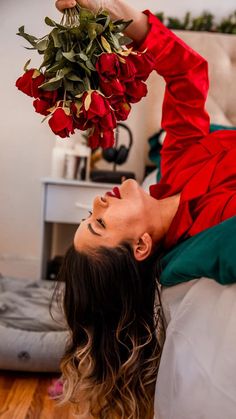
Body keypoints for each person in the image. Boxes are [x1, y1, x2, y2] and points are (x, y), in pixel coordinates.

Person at [54, 1, 236, 418]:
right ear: (140, 247)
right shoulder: (208, 228)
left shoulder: (176, 161)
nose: (98, 202)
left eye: (89, 215)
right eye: (99, 224)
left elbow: (188, 73)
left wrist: (123, 18)